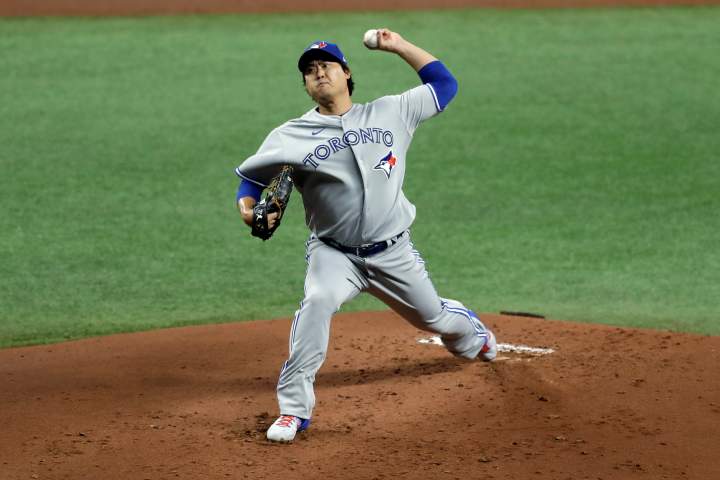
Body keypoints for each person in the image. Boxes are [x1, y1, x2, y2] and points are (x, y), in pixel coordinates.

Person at [234, 29, 497, 443]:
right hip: (333, 254)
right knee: (317, 301)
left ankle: (473, 336)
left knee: (434, 318)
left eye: (327, 65)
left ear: (347, 73)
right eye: (310, 70)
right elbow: (250, 179)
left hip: (393, 252)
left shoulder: (392, 111)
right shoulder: (289, 135)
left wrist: (398, 46)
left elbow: (445, 85)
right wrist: (248, 210)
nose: (319, 72)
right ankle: (293, 410)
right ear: (305, 84)